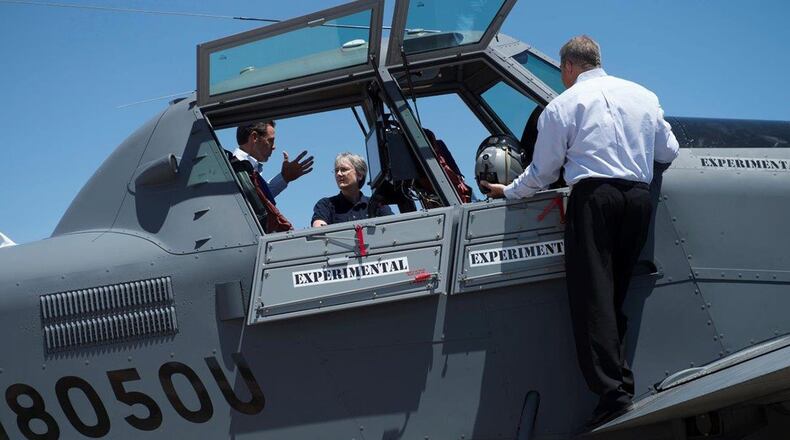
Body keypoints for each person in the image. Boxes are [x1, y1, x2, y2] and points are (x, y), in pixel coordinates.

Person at [481, 35, 679, 427]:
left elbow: (543, 171)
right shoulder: (643, 95)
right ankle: (619, 377)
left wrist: (509, 191)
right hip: (638, 199)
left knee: (593, 297)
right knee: (617, 292)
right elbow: (668, 152)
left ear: (569, 67)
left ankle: (612, 394)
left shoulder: (562, 105)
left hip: (595, 199)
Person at [234, 121, 314, 204]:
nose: (274, 147)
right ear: (254, 137)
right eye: (270, 140)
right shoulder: (232, 168)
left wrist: (285, 177)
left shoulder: (247, 168)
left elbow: (259, 201)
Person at [312, 153, 393, 227]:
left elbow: (395, 227)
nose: (338, 174)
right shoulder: (326, 205)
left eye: (344, 169)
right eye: (336, 170)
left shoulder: (378, 205)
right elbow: (319, 231)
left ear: (360, 175)